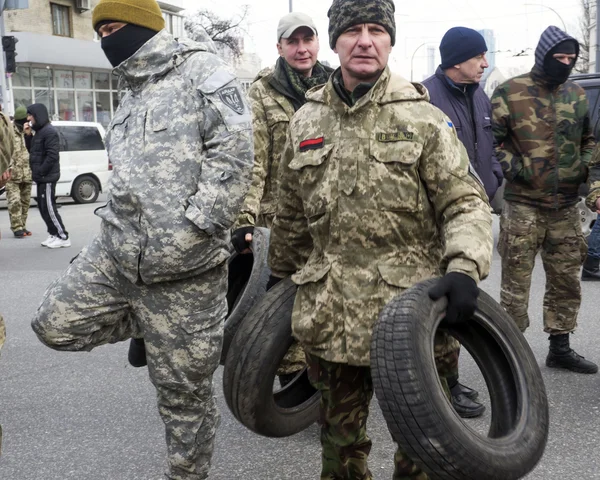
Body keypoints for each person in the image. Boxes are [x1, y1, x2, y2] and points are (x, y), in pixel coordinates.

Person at [267, 0, 493, 478]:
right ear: (336, 42)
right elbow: (290, 214)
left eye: (376, 30)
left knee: (422, 451)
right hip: (331, 318)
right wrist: (277, 283)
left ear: (390, 40)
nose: (364, 40)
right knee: (339, 451)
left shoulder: (423, 117)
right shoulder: (304, 122)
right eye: (352, 31)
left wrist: (464, 269)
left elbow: (465, 203)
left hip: (410, 318)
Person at [30, 0, 253, 478]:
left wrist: (193, 231)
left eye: (115, 27)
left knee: (183, 397)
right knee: (53, 325)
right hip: (117, 257)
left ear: (146, 25)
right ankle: (146, 326)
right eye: (101, 31)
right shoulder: (127, 95)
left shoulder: (202, 71)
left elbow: (233, 159)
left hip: (185, 274)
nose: (108, 39)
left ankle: (187, 475)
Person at [231, 12, 333, 385]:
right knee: (283, 304)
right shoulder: (261, 92)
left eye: (308, 40)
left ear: (318, 43)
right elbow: (253, 163)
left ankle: (330, 380)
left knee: (326, 301)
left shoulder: (335, 86)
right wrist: (245, 219)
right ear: (280, 47)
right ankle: (293, 384)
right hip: (279, 220)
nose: (302, 49)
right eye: (293, 41)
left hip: (327, 215)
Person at [492, 26, 597, 374]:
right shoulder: (510, 91)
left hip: (566, 206)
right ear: (544, 55)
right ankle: (511, 354)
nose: (565, 63)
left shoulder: (577, 94)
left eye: (570, 58)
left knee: (566, 279)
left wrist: (587, 174)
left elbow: (589, 142)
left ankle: (560, 347)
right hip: (523, 204)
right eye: (559, 57)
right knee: (516, 285)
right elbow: (494, 143)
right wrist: (520, 168)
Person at [421, 27, 503, 419]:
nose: (485, 64)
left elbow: (491, 146)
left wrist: (496, 175)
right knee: (441, 300)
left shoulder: (480, 96)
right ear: (458, 59)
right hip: (436, 220)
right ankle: (442, 385)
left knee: (459, 296)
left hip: (474, 211)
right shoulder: (425, 98)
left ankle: (446, 379)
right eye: (479, 57)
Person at [26, 103, 70, 248]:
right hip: (41, 177)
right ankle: (53, 233)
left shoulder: (49, 132)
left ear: (37, 115)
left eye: (30, 115)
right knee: (43, 207)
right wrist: (28, 136)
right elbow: (33, 151)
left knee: (49, 207)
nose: (28, 118)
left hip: (47, 177)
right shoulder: (39, 132)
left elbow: (52, 156)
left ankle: (63, 236)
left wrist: (41, 171)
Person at [6, 106, 33, 238]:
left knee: (25, 202)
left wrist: (29, 134)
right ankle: (16, 227)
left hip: (27, 173)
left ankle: (23, 225)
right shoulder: (9, 131)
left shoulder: (29, 131)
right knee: (14, 201)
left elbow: (33, 149)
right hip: (13, 174)